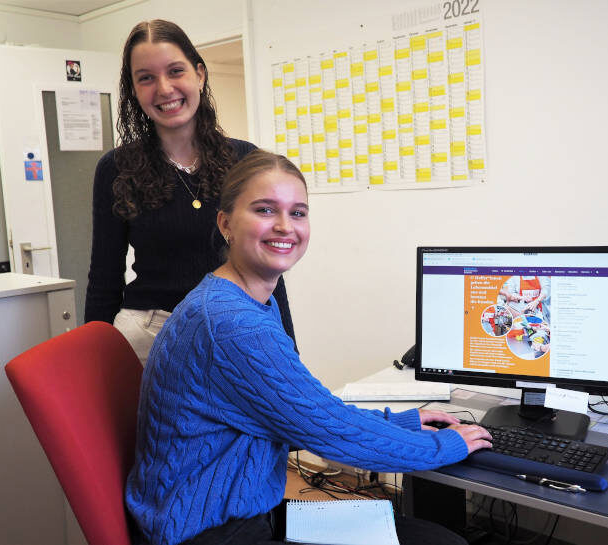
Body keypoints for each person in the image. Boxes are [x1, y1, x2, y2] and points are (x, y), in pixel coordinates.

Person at [125, 150, 493, 545]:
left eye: (298, 213)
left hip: (230, 509)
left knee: (434, 537)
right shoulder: (233, 323)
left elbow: (304, 413)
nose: (285, 226)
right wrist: (446, 444)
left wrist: (400, 423)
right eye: (266, 210)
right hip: (212, 531)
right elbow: (330, 433)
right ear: (226, 223)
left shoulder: (234, 299)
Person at [84, 20, 296, 364]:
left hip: (236, 325)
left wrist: (288, 349)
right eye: (146, 78)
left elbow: (268, 266)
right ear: (134, 90)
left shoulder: (244, 160)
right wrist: (92, 366)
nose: (164, 88)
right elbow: (104, 279)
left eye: (175, 71)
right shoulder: (116, 168)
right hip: (150, 334)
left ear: (199, 74)